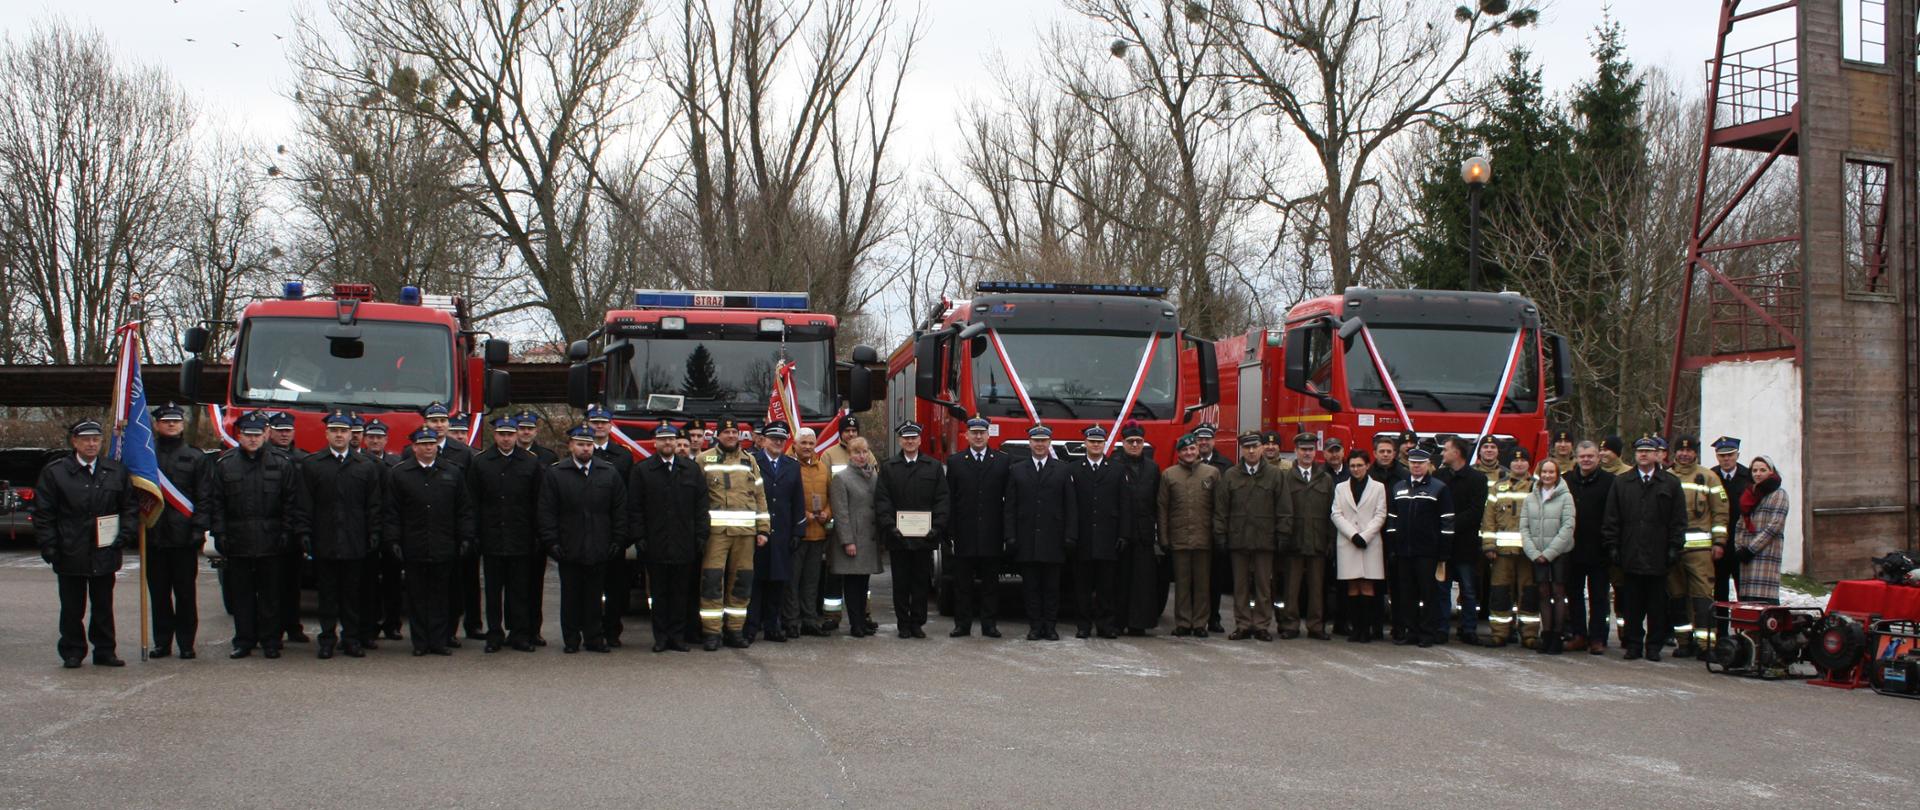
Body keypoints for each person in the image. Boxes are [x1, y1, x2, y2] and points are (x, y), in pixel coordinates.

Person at [203, 411, 308, 659]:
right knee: (242, 595)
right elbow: (216, 502)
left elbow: (290, 502)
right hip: (238, 539)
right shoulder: (225, 464)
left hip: (271, 540)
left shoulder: (282, 463)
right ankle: (244, 640)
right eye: (248, 435)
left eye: (257, 435)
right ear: (240, 436)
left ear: (266, 435)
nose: (252, 440)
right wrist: (219, 532)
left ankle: (271, 640)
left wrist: (287, 532)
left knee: (271, 595)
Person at [35, 419, 139, 668]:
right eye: (86, 439)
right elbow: (44, 513)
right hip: (70, 550)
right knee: (72, 607)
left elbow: (129, 507)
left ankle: (105, 651)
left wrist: (124, 535)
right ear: (75, 442)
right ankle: (72, 651)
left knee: (103, 606)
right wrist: (49, 546)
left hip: (105, 550)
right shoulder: (56, 472)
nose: (91, 444)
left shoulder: (115, 471)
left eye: (96, 439)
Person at [297, 411, 386, 659]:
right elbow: (305, 503)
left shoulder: (365, 466)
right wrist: (304, 532)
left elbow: (373, 505)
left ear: (351, 434)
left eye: (343, 431)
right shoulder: (313, 464)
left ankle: (351, 639)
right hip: (324, 540)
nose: (339, 435)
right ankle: (327, 640)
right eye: (334, 430)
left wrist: (374, 533)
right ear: (326, 434)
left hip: (355, 540)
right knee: (327, 594)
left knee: (352, 594)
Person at [537, 424, 628, 654]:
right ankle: (571, 639)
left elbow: (619, 510)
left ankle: (594, 638)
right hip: (569, 546)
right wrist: (552, 543)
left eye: (588, 444)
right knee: (570, 597)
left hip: (600, 545)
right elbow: (547, 511)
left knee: (595, 597)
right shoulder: (557, 473)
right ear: (571, 446)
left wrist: (617, 540)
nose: (585, 449)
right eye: (580, 444)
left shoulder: (608, 472)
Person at [384, 427, 475, 656]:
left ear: (437, 446)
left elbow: (464, 509)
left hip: (444, 543)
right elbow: (392, 511)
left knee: (441, 595)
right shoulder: (400, 473)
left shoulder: (453, 472)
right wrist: (393, 539)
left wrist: (465, 537)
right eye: (423, 444)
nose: (427, 448)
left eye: (431, 444)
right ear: (414, 447)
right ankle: (420, 642)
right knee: (417, 596)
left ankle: (439, 640)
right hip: (413, 544)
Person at [1603, 436, 1687, 662]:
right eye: (1640, 451)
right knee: (1632, 605)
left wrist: (1674, 547)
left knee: (1657, 606)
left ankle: (1654, 646)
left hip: (1658, 555)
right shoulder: (1622, 482)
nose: (1644, 454)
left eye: (1649, 451)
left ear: (1657, 454)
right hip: (1630, 553)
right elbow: (1612, 518)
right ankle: (1633, 645)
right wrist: (1613, 546)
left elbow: (1678, 520)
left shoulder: (1670, 483)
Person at [628, 424, 707, 652]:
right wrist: (639, 537)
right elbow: (635, 508)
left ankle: (678, 637)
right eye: (663, 439)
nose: (668, 443)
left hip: (685, 543)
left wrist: (701, 536)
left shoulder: (690, 469)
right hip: (655, 543)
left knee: (681, 594)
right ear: (655, 443)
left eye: (671, 439)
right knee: (659, 594)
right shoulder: (642, 471)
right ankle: (660, 637)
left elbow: (701, 506)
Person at [468, 416, 544, 653]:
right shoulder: (481, 462)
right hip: (491, 537)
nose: (506, 439)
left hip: (520, 537)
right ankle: (494, 634)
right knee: (492, 591)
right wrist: (475, 535)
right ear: (495, 435)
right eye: (502, 434)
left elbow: (538, 502)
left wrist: (538, 535)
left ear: (515, 436)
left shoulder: (530, 462)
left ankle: (519, 634)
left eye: (510, 434)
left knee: (519, 590)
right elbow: (473, 502)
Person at [696, 419, 769, 650]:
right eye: (726, 432)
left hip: (745, 533)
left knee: (741, 582)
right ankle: (711, 633)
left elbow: (760, 496)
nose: (730, 435)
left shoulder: (750, 461)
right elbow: (696, 498)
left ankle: (735, 630)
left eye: (734, 432)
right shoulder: (703, 460)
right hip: (715, 534)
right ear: (717, 435)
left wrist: (763, 529)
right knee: (711, 581)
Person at [875, 422, 949, 639]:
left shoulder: (933, 467)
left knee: (920, 583)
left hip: (925, 538)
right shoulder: (889, 467)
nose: (909, 441)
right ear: (900, 441)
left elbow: (942, 499)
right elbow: (882, 499)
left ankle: (917, 622)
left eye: (913, 438)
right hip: (898, 538)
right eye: (906, 438)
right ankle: (903, 623)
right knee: (900, 583)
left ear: (919, 440)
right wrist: (890, 526)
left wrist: (937, 527)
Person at [1004, 424, 1077, 641]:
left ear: (1049, 443)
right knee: (1031, 587)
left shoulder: (1063, 469)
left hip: (1053, 540)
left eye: (1043, 441)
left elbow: (1070, 507)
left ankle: (1050, 626)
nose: (1039, 445)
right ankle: (1035, 626)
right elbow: (1010, 507)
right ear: (1029, 443)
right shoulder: (1017, 470)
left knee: (1052, 588)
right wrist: (1010, 535)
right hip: (1026, 539)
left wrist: (1070, 535)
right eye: (1036, 441)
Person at [1213, 432, 1286, 642]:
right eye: (1247, 448)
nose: (1251, 451)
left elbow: (1283, 507)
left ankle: (1262, 625)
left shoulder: (1274, 475)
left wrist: (1283, 534)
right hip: (1239, 539)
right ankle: (1243, 625)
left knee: (1264, 586)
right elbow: (1221, 509)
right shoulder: (1231, 475)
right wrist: (1220, 535)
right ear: (1241, 450)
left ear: (1262, 448)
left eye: (1255, 447)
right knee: (1241, 586)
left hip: (1265, 538)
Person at [148, 403, 207, 659]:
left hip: (184, 539)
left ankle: (186, 642)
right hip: (154, 537)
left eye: (175, 421)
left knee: (185, 594)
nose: (171, 425)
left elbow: (205, 497)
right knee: (159, 595)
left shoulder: (196, 457)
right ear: (157, 425)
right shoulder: (146, 456)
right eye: (166, 421)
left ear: (182, 424)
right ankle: (162, 642)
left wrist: (198, 530)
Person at [945, 415, 1009, 638]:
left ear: (988, 434)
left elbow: (1007, 500)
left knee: (991, 582)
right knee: (962, 583)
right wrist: (950, 531)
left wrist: (1006, 532)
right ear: (967, 435)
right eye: (974, 433)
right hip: (964, 532)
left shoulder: (1002, 461)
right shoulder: (955, 462)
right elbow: (950, 499)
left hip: (992, 532)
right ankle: (962, 624)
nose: (979, 436)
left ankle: (989, 624)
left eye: (982, 432)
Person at [1666, 436, 1728, 659]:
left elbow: (1721, 513)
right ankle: (1683, 643)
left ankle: (1706, 645)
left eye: (1689, 451)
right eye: (1681, 451)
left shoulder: (1710, 477)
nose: (1684, 454)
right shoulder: (1666, 477)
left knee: (1702, 596)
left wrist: (1719, 542)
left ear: (1695, 453)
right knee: (1677, 596)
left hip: (1701, 550)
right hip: (1673, 549)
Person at [578, 405, 636, 648]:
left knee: (615, 587)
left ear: (611, 426)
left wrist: (624, 534)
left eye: (603, 422)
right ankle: (590, 630)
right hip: (586, 531)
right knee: (588, 588)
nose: (599, 426)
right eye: (595, 422)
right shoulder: (581, 452)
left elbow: (629, 497)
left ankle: (612, 631)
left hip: (613, 531)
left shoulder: (623, 456)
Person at [1385, 447, 1453, 648]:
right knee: (1407, 594)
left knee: (1428, 594)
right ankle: (1411, 631)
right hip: (1404, 552)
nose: (1416, 466)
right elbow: (1392, 519)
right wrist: (1392, 546)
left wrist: (1443, 551)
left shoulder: (1439, 488)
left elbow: (1447, 522)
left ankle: (1427, 633)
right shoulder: (1399, 487)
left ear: (1428, 465)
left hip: (1427, 552)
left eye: (1420, 463)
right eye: (1413, 463)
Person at [746, 423, 804, 643]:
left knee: (777, 582)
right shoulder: (752, 462)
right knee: (756, 582)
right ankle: (751, 627)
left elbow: (798, 500)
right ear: (763, 440)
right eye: (773, 439)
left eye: (781, 439)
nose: (778, 443)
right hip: (757, 531)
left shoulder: (792, 466)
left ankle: (773, 626)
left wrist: (798, 531)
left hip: (782, 534)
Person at [1159, 434, 1219, 637]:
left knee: (1203, 584)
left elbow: (1219, 507)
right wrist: (1164, 538)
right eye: (1185, 450)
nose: (1189, 452)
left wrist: (1218, 535)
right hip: (1179, 538)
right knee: (1182, 585)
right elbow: (1163, 508)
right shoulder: (1169, 475)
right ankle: (1183, 622)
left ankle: (1200, 623)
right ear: (1179, 453)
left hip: (1204, 538)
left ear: (1197, 450)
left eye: (1192, 449)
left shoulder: (1212, 473)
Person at [1070, 426, 1126, 639]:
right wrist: (1070, 535)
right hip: (1082, 538)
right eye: (1092, 441)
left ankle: (1105, 625)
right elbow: (1070, 505)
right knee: (1082, 587)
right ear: (1085, 443)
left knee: (1106, 587)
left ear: (1105, 445)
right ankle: (1083, 626)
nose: (1095, 445)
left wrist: (1123, 534)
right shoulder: (1074, 469)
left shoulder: (1117, 470)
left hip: (1108, 537)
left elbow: (1124, 504)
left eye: (1099, 442)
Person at [1434, 436, 1489, 645]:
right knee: (1442, 588)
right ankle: (1441, 628)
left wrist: (1450, 524)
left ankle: (1468, 628)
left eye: (1446, 449)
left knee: (1468, 588)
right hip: (1443, 545)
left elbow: (1476, 512)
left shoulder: (1477, 479)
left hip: (1465, 543)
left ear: (1457, 453)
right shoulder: (1439, 477)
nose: (1442, 453)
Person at [1481, 447, 1537, 648]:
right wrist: (1489, 545)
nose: (1519, 464)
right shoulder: (1498, 487)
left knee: (1529, 593)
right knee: (1500, 593)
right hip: (1502, 554)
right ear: (1510, 464)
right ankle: (1500, 633)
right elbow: (1489, 519)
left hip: (1528, 553)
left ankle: (1529, 635)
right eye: (1514, 461)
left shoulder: (1536, 488)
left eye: (1522, 461)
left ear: (1528, 464)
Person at [1279, 432, 1333, 640]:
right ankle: (1290, 624)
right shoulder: (1286, 478)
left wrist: (1329, 540)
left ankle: (1316, 626)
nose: (1307, 453)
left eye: (1310, 449)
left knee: (1317, 588)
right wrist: (1283, 536)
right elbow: (1283, 509)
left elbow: (1330, 512)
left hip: (1318, 540)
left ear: (1315, 451)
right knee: (1291, 588)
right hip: (1294, 540)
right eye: (1303, 449)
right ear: (1296, 452)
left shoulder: (1325, 479)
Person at [1564, 441, 1617, 655]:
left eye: (1591, 456)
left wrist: (1611, 543)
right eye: (1582, 456)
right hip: (1572, 549)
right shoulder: (1566, 480)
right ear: (1576, 457)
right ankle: (1579, 635)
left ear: (1598, 458)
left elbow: (1614, 515)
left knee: (1599, 598)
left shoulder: (1611, 482)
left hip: (1599, 549)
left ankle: (1597, 638)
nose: (1586, 460)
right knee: (1574, 595)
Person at [828, 436, 884, 637]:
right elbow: (840, 512)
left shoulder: (874, 476)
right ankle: (855, 624)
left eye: (864, 452)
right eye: (857, 452)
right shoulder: (841, 478)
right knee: (852, 584)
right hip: (853, 539)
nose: (861, 456)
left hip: (869, 539)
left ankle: (863, 620)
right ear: (850, 455)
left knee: (864, 584)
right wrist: (847, 541)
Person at [1112, 422, 1163, 636]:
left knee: (1142, 582)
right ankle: (1117, 621)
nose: (1134, 445)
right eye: (1130, 441)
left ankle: (1138, 623)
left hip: (1143, 533)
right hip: (1121, 533)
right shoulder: (1114, 465)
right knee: (1119, 581)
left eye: (1138, 442)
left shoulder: (1152, 468)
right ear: (1123, 443)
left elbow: (1158, 501)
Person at [1521, 458, 1576, 655]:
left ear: (1557, 474)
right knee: (1543, 593)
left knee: (1558, 593)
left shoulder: (1566, 497)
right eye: (1544, 472)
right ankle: (1546, 634)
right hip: (1537, 554)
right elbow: (1524, 528)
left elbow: (1568, 527)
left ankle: (1557, 635)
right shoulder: (1530, 498)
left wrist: (1550, 553)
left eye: (1551, 472)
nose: (1547, 476)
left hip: (1559, 553)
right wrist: (1535, 553)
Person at [359, 420, 407, 649]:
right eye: (371, 437)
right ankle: (369, 626)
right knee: (368, 583)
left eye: (379, 437)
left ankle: (392, 624)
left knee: (393, 581)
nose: (375, 441)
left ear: (386, 440)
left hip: (391, 529)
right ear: (364, 440)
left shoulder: (396, 464)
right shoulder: (359, 462)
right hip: (368, 529)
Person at [1332, 454, 1388, 642]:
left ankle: (1366, 629)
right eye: (1352, 465)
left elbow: (1381, 514)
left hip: (1370, 543)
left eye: (1359, 465)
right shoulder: (1341, 487)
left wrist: (1365, 536)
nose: (1356, 469)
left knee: (1367, 585)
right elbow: (1336, 514)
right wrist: (1353, 535)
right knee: (1352, 585)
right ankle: (1355, 628)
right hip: (1348, 542)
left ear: (1367, 465)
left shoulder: (1378, 487)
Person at [514, 412, 557, 646]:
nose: (525, 432)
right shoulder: (510, 456)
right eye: (521, 428)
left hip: (537, 530)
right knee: (516, 586)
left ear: (536, 431)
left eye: (529, 428)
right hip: (515, 530)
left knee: (535, 585)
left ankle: (535, 629)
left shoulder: (548, 457)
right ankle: (516, 629)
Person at [787, 427, 834, 637]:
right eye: (803, 443)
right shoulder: (788, 466)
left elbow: (833, 496)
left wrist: (827, 512)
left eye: (811, 443)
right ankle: (792, 622)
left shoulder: (823, 467)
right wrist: (803, 514)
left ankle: (809, 620)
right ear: (795, 444)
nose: (807, 447)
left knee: (811, 581)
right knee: (792, 581)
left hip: (818, 534)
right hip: (798, 534)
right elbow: (785, 498)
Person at [1709, 436, 1752, 633]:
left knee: (1744, 591)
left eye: (1730, 455)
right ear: (1717, 457)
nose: (1726, 459)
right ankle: (1721, 632)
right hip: (1720, 543)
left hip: (1741, 542)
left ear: (1737, 455)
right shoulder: (1711, 476)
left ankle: (1743, 632)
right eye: (1722, 456)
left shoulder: (1748, 476)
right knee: (1720, 591)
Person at [1192, 423, 1231, 634]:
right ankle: (1194, 617)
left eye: (1207, 439)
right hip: (1195, 527)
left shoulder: (1224, 465)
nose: (1203, 443)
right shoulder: (1188, 461)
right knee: (1195, 578)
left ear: (1214, 441)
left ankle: (1214, 618)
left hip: (1216, 528)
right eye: (1200, 439)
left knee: (1215, 578)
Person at [1733, 456, 1788, 604]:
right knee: (1746, 605)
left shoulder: (1779, 494)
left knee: (1764, 604)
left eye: (1763, 470)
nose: (1758, 474)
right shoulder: (1748, 495)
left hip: (1766, 556)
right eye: (1755, 470)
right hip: (1746, 559)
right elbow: (1740, 525)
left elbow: (1774, 526)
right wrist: (1739, 548)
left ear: (1771, 472)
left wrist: (1751, 549)